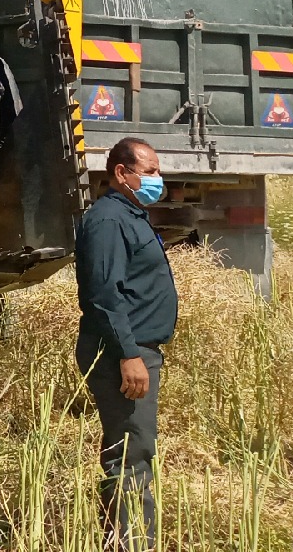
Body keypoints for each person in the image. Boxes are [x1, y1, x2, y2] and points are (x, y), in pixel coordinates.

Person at [75, 136, 178, 550]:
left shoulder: (132, 214)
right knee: (131, 456)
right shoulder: (108, 220)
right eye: (150, 171)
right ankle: (130, 543)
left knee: (136, 450)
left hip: (136, 349)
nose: (158, 179)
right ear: (122, 172)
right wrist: (129, 355)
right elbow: (104, 295)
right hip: (121, 353)